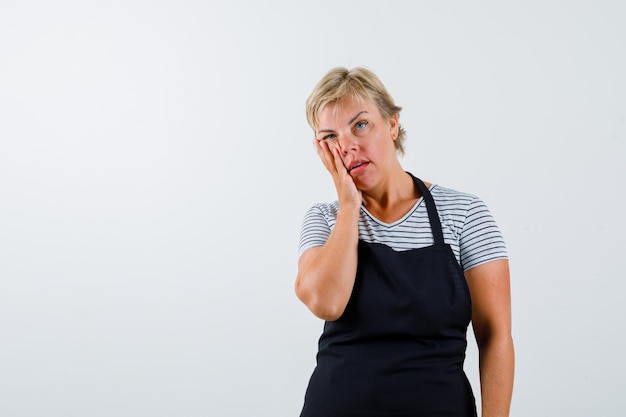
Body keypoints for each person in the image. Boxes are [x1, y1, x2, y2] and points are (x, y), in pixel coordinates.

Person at [295, 66, 514, 417]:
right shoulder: (325, 219)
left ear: (393, 124)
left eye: (360, 125)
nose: (348, 144)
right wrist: (350, 206)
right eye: (331, 136)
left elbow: (495, 335)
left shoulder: (464, 213)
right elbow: (326, 303)